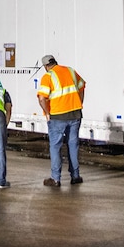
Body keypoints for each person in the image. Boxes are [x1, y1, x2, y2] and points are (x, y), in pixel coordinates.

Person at [36, 54, 85, 187]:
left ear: (46, 66)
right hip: (75, 114)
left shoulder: (48, 76)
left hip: (57, 116)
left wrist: (47, 112)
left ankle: (55, 178)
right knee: (73, 145)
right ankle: (75, 176)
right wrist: (79, 103)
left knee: (56, 146)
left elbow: (42, 98)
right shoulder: (70, 70)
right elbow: (82, 87)